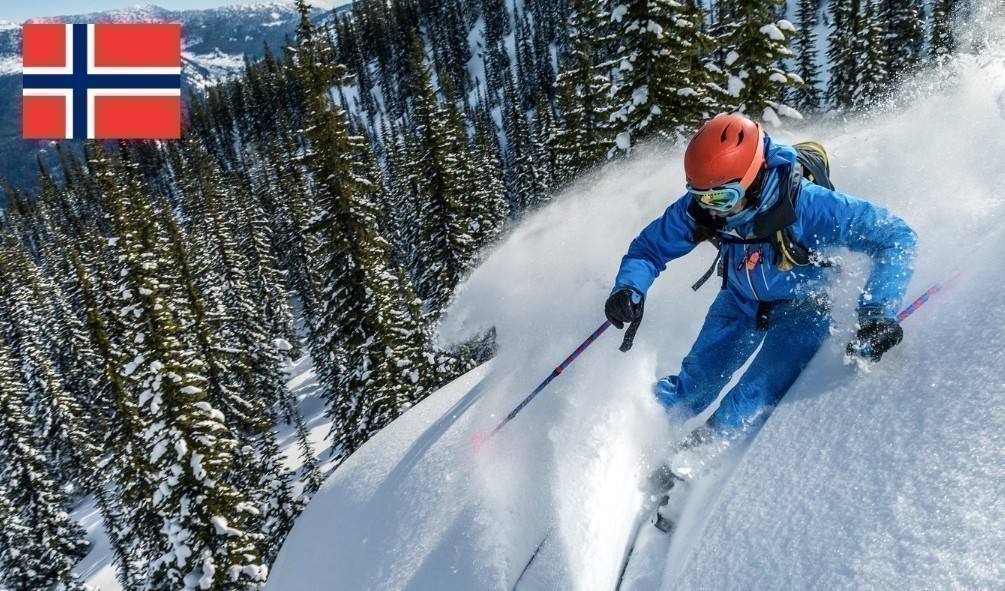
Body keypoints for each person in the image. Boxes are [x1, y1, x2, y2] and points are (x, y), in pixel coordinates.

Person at [604, 113, 917, 441]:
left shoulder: (807, 205)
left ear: (752, 177)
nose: (712, 210)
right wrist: (629, 286)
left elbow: (896, 236)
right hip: (740, 301)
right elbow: (649, 250)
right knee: (690, 391)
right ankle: (625, 439)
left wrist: (877, 312)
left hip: (805, 307)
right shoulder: (705, 203)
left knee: (745, 403)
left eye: (721, 199)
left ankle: (688, 470)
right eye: (700, 197)